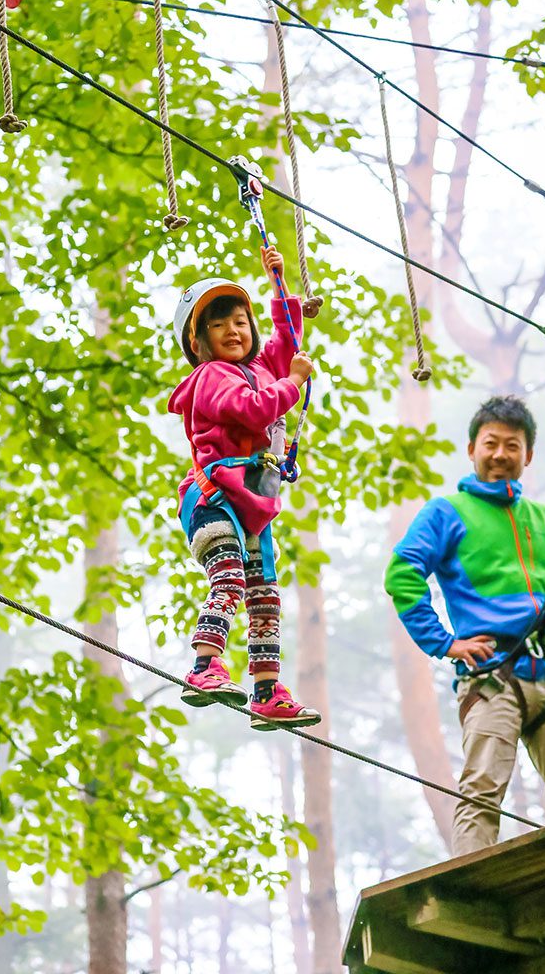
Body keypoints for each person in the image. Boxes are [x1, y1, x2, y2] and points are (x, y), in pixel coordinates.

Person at [385, 395, 545, 854]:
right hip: (492, 675)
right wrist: (444, 642)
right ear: (472, 448)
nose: (500, 454)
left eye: (512, 445)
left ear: (528, 455)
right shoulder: (447, 513)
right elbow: (402, 572)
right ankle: (468, 886)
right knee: (482, 790)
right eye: (491, 443)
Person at [169, 245, 321, 731]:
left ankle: (266, 689)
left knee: (265, 597)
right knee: (231, 577)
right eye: (218, 325)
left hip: (251, 501)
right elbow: (256, 409)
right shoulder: (209, 377)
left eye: (240, 320)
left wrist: (278, 284)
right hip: (213, 496)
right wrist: (294, 383)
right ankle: (203, 666)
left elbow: (285, 341)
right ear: (199, 343)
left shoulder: (257, 368)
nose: (234, 331)